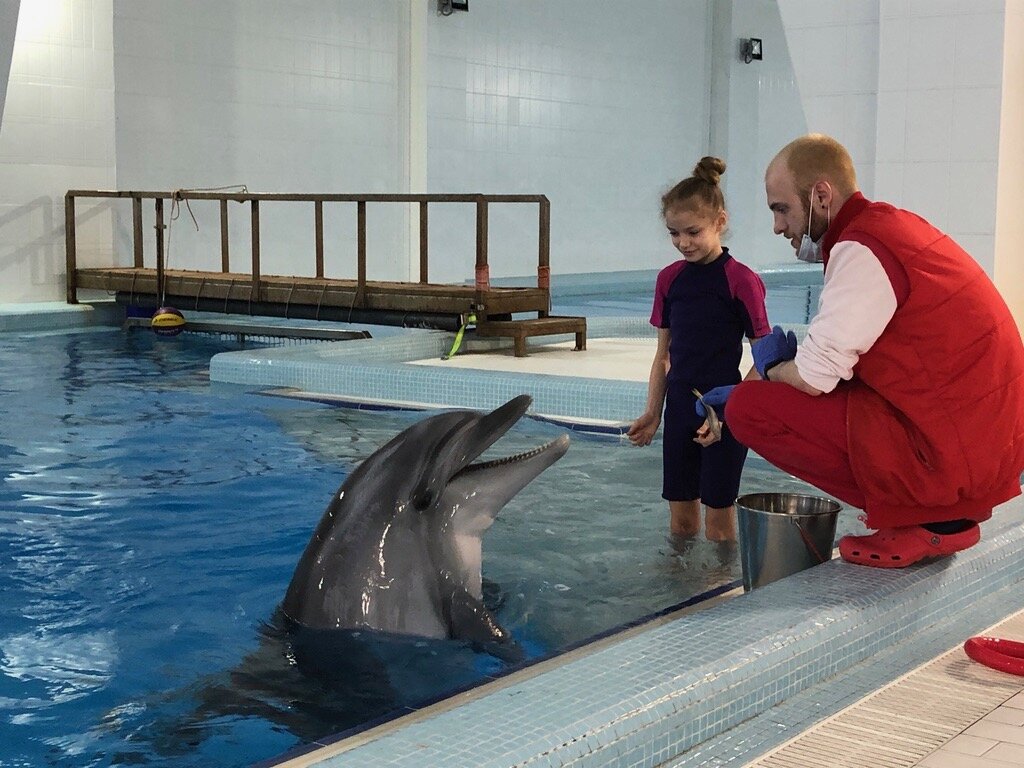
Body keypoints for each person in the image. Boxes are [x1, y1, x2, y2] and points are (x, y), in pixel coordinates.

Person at [720, 133, 1024, 568]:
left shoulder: (862, 248)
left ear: (821, 196)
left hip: (954, 459)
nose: (777, 226)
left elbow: (814, 376)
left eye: (781, 208)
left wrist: (772, 368)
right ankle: (933, 515)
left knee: (750, 408)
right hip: (987, 448)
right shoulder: (892, 227)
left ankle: (929, 519)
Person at [627, 157, 770, 542]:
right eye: (674, 233)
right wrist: (653, 413)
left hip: (724, 411)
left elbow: (766, 359)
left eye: (693, 232)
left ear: (719, 223)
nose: (682, 243)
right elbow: (663, 357)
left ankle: (720, 595)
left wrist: (733, 404)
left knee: (719, 526)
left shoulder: (741, 280)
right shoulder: (670, 280)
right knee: (681, 524)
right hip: (679, 408)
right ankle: (681, 594)